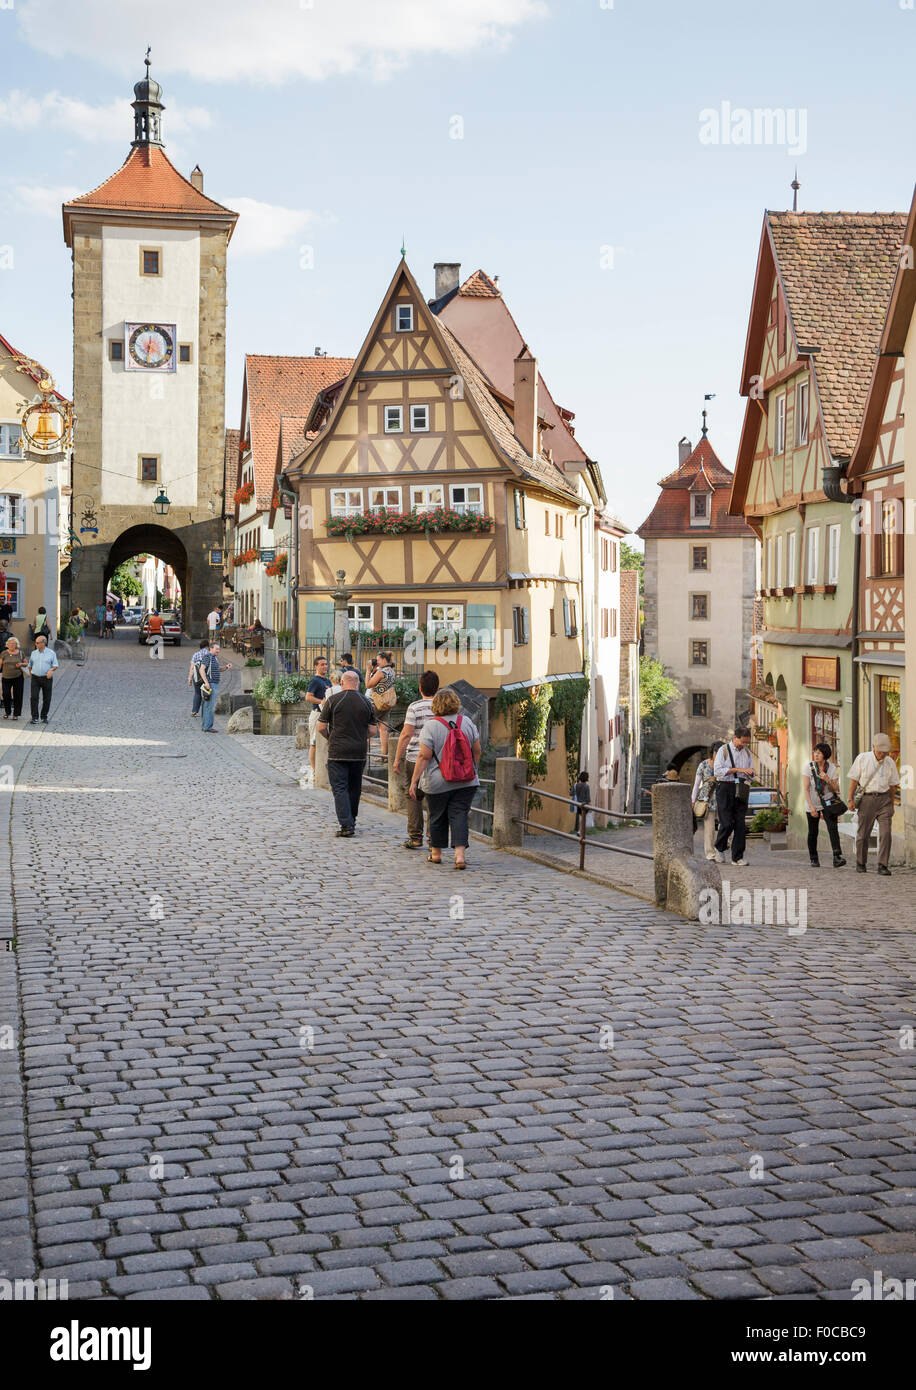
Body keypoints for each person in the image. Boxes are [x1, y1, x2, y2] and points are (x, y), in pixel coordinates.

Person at [409, 688, 481, 870]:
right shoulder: (466, 722)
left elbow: (424, 756)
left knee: (437, 815)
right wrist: (471, 768)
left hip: (436, 781)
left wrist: (414, 780)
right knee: (459, 814)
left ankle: (436, 854)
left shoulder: (431, 726)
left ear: (436, 705)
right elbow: (477, 749)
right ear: (456, 703)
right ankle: (459, 856)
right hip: (466, 781)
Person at [318, 670, 378, 836]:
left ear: (342, 683)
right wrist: (360, 736)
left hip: (337, 750)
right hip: (358, 751)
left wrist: (330, 737)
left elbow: (321, 727)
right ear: (358, 684)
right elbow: (373, 730)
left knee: (339, 788)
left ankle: (346, 825)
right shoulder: (366, 702)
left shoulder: (333, 700)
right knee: (354, 787)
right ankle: (352, 819)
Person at [393, 670, 440, 849]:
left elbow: (406, 734)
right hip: (437, 759)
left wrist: (397, 758)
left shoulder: (414, 707)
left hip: (414, 757)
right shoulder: (442, 707)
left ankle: (415, 836)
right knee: (434, 798)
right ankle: (432, 838)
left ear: (420, 688)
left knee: (413, 796)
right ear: (437, 688)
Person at [848, 732, 900, 876]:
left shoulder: (889, 762)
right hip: (867, 799)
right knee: (863, 833)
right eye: (880, 751)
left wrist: (892, 805)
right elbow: (853, 780)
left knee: (886, 833)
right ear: (873, 747)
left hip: (884, 800)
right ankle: (861, 862)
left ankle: (883, 865)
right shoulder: (863, 759)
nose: (882, 755)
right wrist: (850, 799)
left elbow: (892, 786)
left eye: (885, 752)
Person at [713, 728, 754, 865]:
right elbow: (718, 771)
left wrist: (751, 773)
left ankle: (737, 857)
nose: (744, 745)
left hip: (741, 787)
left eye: (747, 743)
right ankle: (719, 847)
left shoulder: (747, 752)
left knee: (740, 824)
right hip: (725, 787)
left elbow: (751, 770)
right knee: (726, 822)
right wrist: (739, 770)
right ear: (735, 738)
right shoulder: (723, 750)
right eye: (742, 742)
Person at [803, 742, 846, 868]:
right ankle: (814, 858)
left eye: (819, 753)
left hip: (828, 803)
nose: (816, 755)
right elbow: (805, 789)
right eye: (815, 752)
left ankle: (837, 857)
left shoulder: (832, 768)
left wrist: (827, 779)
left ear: (825, 755)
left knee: (833, 829)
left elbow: (835, 789)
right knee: (813, 831)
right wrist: (811, 807)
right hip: (813, 803)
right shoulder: (809, 767)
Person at [691, 741, 723, 861]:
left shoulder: (726, 765)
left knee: (725, 826)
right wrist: (693, 799)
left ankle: (721, 850)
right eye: (717, 752)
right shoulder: (703, 765)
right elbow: (696, 784)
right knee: (709, 828)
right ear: (712, 753)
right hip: (707, 799)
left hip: (722, 797)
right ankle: (710, 854)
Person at [305, 656, 333, 780]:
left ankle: (323, 767)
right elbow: (308, 697)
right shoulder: (315, 680)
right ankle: (314, 770)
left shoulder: (327, 681)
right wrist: (321, 702)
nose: (325, 666)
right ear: (316, 666)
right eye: (322, 664)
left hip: (327, 715)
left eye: (326, 664)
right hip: (317, 714)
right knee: (314, 742)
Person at [195, 642, 232, 732]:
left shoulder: (214, 658)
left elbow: (218, 669)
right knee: (209, 706)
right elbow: (202, 669)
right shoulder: (208, 657)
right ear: (211, 649)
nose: (218, 651)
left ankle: (205, 726)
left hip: (213, 684)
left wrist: (226, 667)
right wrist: (206, 683)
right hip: (210, 684)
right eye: (216, 649)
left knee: (207, 705)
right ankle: (207, 727)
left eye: (219, 649)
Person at [366, 651, 396, 756]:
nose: (377, 662)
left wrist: (368, 670)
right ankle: (384, 756)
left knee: (364, 726)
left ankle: (363, 753)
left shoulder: (380, 672)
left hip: (376, 703)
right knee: (384, 730)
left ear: (384, 660)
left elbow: (368, 685)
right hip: (387, 703)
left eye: (378, 660)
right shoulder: (392, 671)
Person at [26, 634, 59, 724]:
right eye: (35, 643)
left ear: (43, 643)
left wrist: (51, 670)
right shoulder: (34, 653)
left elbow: (55, 665)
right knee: (34, 697)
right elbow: (30, 665)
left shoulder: (51, 653)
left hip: (46, 678)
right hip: (35, 678)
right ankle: (35, 717)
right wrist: (31, 674)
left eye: (37, 643)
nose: (35, 644)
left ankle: (44, 716)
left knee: (47, 698)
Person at [1, 635, 27, 720]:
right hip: (6, 677)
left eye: (13, 643)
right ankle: (7, 712)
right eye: (10, 643)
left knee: (18, 695)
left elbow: (26, 663)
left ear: (16, 645)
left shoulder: (20, 653)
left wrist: (21, 664)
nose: (11, 645)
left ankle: (16, 714)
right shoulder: (3, 653)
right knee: (6, 694)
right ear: (7, 644)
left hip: (18, 677)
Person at [188, 637, 211, 717]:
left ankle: (194, 711)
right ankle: (205, 711)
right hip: (207, 677)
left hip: (197, 678)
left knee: (197, 693)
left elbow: (192, 668)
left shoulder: (195, 654)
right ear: (207, 646)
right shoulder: (210, 654)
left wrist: (190, 679)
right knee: (207, 693)